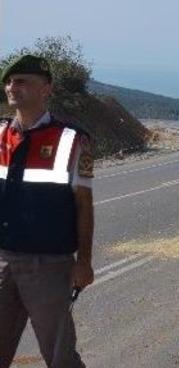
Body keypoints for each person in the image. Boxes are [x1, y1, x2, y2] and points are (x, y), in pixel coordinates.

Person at [0, 55, 94, 368]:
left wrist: (84, 262)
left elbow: (84, 205)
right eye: (9, 81)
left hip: (49, 265)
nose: (12, 87)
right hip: (2, 261)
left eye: (22, 81)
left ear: (46, 89)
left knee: (60, 357)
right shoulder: (0, 134)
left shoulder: (72, 140)